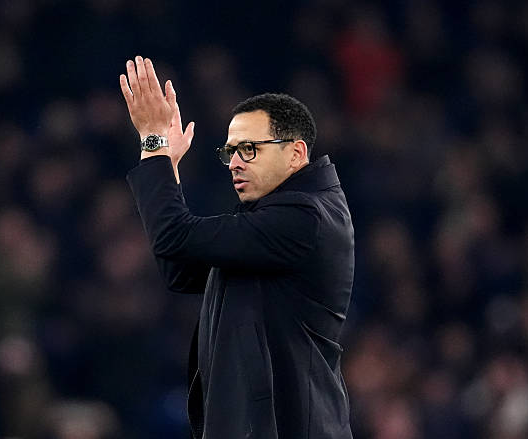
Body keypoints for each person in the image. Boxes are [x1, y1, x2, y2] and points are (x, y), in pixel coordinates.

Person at [120, 55, 355, 439]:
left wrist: (154, 141)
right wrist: (167, 165)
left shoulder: (304, 217)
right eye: (230, 152)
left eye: (249, 149)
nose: (234, 163)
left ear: (296, 154)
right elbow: (180, 267)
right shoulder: (278, 216)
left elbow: (174, 237)